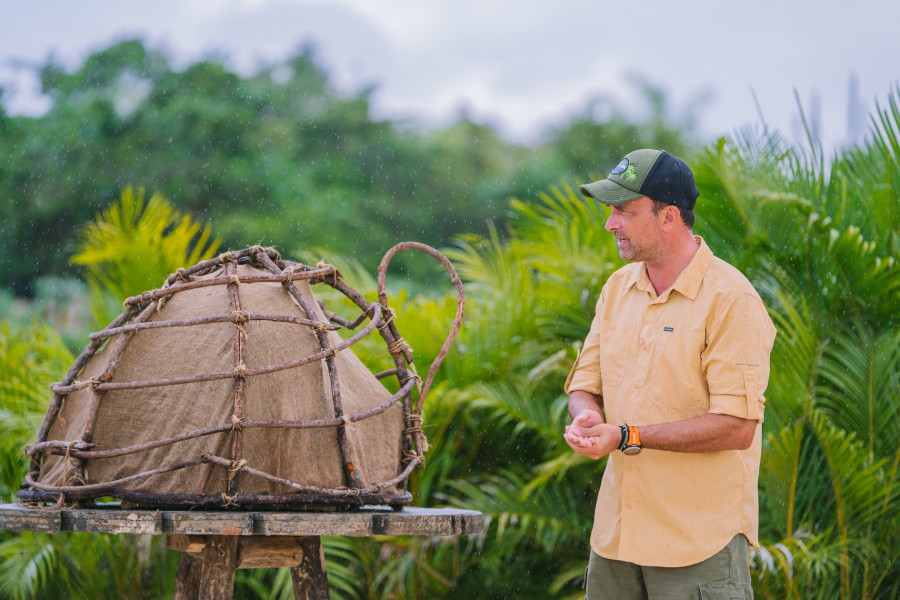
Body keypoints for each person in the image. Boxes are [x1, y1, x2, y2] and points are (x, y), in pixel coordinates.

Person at [563, 149, 776, 599]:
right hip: (615, 542)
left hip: (698, 547)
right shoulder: (617, 288)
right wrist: (585, 416)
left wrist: (626, 435)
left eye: (624, 210)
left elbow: (737, 428)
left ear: (669, 217)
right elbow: (585, 384)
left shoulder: (731, 299)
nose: (610, 224)